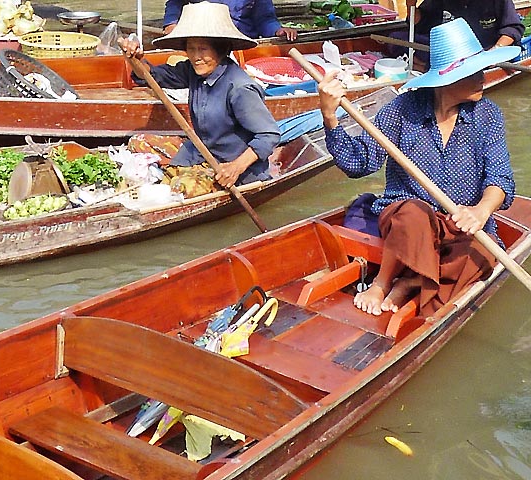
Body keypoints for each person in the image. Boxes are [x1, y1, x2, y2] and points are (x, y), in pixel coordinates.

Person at [318, 18, 519, 317]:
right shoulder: (403, 109)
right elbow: (360, 163)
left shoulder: (487, 115)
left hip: (459, 225)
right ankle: (383, 283)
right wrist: (330, 116)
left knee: (482, 255)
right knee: (413, 213)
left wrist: (479, 211)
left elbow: (500, 178)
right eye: (474, 72)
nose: (483, 77)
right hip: (408, 222)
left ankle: (412, 279)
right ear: (447, 80)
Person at [120, 2, 281, 189]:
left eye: (203, 49)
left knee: (179, 188)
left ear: (220, 49)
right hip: (200, 152)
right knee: (137, 142)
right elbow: (151, 75)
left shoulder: (239, 88)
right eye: (191, 48)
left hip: (231, 167)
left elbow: (269, 135)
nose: (196, 56)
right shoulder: (193, 71)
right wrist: (133, 59)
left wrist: (235, 168)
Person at [391, 0, 524, 68]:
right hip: (450, 52)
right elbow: (420, 25)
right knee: (396, 39)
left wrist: (493, 53)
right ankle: (427, 67)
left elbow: (513, 28)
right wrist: (410, 5)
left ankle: (424, 68)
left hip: (483, 52)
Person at [162, 0, 298, 41]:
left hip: (244, 43)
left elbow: (264, 18)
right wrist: (171, 24)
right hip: (207, 42)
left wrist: (277, 30)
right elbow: (175, 3)